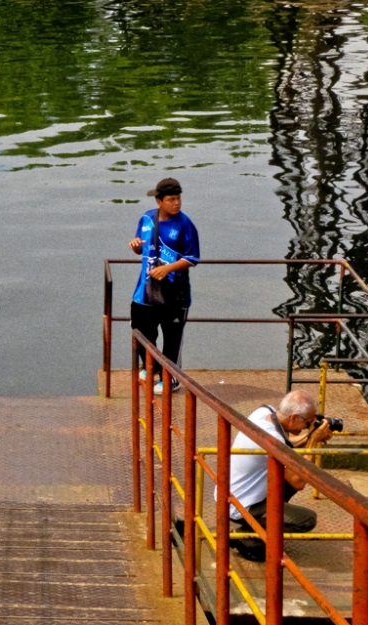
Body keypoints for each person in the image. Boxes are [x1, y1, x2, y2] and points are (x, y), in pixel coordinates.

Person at [219, 390, 334, 561]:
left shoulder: (264, 412)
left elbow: (287, 449)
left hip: (228, 494)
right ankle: (245, 535)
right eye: (308, 422)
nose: (308, 427)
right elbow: (298, 481)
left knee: (285, 478)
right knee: (307, 519)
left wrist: (310, 436)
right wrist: (313, 441)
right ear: (294, 418)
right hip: (239, 506)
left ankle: (258, 526)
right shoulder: (271, 440)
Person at [129, 177, 200, 395]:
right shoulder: (147, 219)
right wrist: (135, 246)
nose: (177, 203)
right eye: (171, 199)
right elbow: (141, 248)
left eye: (178, 198)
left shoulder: (185, 224)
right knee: (140, 331)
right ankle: (154, 367)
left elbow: (192, 257)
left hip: (174, 294)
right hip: (145, 291)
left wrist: (167, 269)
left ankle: (172, 378)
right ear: (159, 201)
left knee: (172, 339)